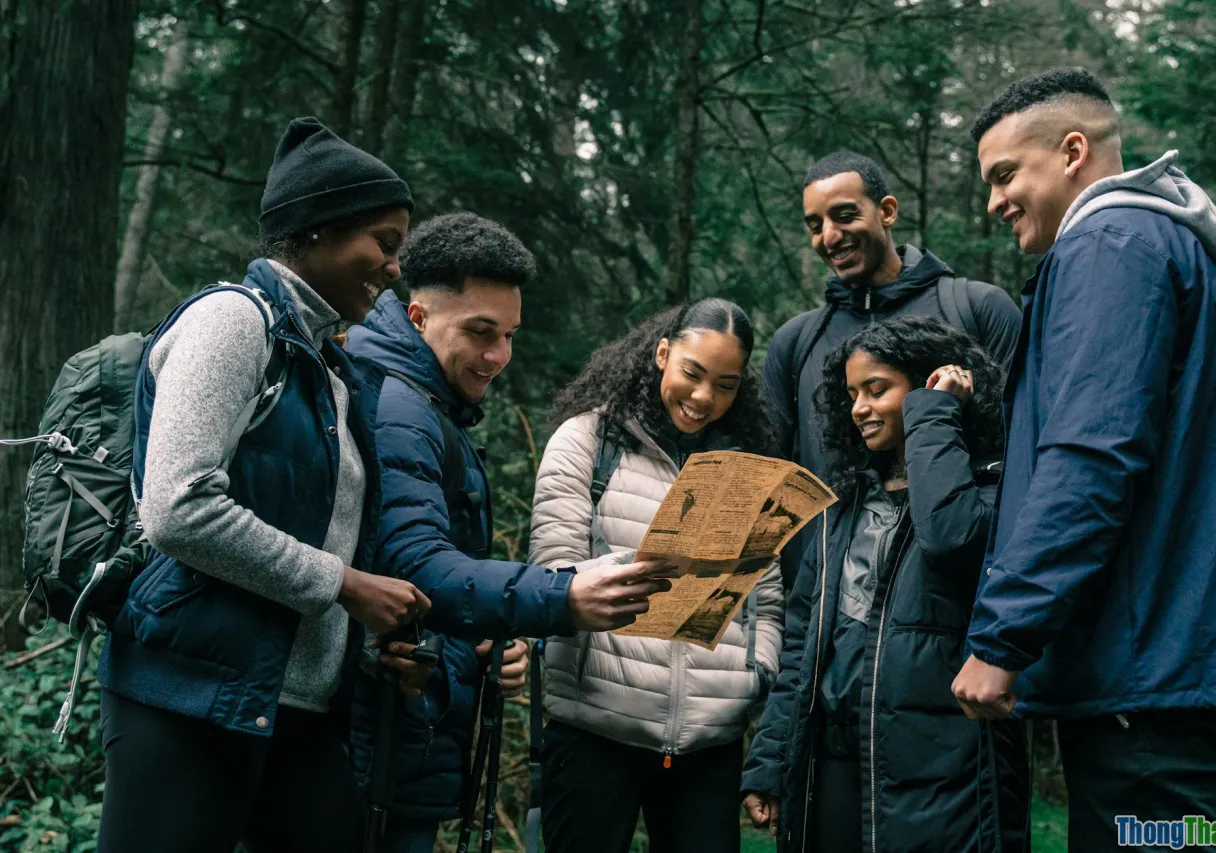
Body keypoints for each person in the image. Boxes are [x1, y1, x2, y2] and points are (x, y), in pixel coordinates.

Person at [954, 67, 1216, 850]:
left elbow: (1092, 456)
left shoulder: (1111, 247)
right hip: (1174, 673)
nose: (995, 201)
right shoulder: (1159, 248)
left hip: (1154, 680)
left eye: (1006, 175)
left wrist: (1002, 637)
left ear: (1072, 151)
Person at [95, 117, 434, 853]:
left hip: (297, 710)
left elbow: (324, 527)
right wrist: (344, 585)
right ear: (316, 229)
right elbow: (178, 507)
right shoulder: (232, 323)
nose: (393, 265)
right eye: (383, 240)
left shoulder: (332, 370)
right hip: (185, 694)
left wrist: (371, 640)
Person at [344, 212, 671, 851]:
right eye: (480, 332)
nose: (499, 356)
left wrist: (481, 641)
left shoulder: (427, 401)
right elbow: (414, 564)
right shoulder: (400, 407)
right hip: (371, 736)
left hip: (400, 731)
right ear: (417, 318)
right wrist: (563, 597)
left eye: (510, 334)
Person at [742, 315, 1029, 852]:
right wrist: (770, 762)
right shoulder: (839, 511)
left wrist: (936, 413)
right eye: (852, 394)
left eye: (877, 390)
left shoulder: (992, 489)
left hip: (940, 770)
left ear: (926, 389)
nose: (859, 408)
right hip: (832, 768)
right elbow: (803, 647)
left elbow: (948, 537)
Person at [527, 299, 784, 853]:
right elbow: (551, 576)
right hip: (595, 730)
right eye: (692, 374)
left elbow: (767, 593)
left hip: (709, 741)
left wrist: (755, 671)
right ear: (663, 354)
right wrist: (652, 566)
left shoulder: (743, 465)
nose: (703, 398)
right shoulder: (586, 441)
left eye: (726, 384)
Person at [765, 151, 1022, 587]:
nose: (830, 236)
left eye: (845, 216)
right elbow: (769, 481)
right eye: (815, 226)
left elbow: (1024, 457)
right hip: (827, 611)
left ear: (886, 211)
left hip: (951, 600)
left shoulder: (977, 309)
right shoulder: (795, 343)